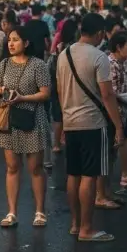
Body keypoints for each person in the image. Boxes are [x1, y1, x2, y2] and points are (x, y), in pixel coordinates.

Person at [56, 13, 125, 242]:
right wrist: (118, 126)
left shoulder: (63, 55)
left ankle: (75, 225)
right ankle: (87, 229)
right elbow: (107, 95)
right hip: (93, 123)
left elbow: (59, 90)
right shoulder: (99, 57)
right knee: (90, 175)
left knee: (73, 174)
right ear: (98, 33)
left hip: (70, 121)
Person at [0, 26, 52, 228]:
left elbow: (45, 93)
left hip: (33, 120)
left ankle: (40, 211)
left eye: (16, 40)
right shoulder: (4, 64)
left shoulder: (38, 65)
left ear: (26, 43)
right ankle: (11, 212)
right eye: (10, 40)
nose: (11, 43)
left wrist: (23, 98)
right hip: (10, 121)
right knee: (12, 167)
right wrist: (0, 90)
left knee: (35, 168)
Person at [107, 31, 127, 194]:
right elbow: (110, 92)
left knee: (122, 145)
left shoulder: (124, 63)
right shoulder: (110, 64)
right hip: (115, 113)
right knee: (111, 152)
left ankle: (113, 187)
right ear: (118, 47)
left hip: (125, 110)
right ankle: (104, 192)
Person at [49, 18, 80, 159]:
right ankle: (67, 139)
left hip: (57, 82)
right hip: (71, 83)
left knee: (57, 115)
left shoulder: (59, 46)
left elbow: (50, 61)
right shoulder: (77, 47)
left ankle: (56, 144)